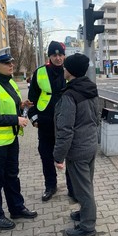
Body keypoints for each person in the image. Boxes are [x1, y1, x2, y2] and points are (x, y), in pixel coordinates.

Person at [0, 47, 38, 230]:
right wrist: (16, 119)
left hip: (9, 140)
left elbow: (8, 105)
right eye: (6, 63)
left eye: (11, 62)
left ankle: (16, 208)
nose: (11, 65)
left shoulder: (8, 83)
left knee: (12, 176)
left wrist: (21, 106)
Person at [53, 53, 98, 236]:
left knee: (83, 189)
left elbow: (65, 130)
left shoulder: (70, 95)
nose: (63, 69)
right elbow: (96, 117)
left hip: (78, 149)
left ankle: (87, 226)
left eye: (65, 68)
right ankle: (85, 213)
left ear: (70, 72)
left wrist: (58, 156)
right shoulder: (90, 88)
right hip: (90, 145)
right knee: (86, 185)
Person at [27, 41, 74, 202]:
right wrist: (34, 120)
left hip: (65, 121)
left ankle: (72, 188)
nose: (58, 58)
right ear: (49, 56)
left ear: (64, 56)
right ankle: (50, 186)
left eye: (60, 55)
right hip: (45, 121)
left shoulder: (70, 71)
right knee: (46, 155)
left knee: (69, 154)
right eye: (54, 55)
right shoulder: (39, 72)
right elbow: (32, 99)